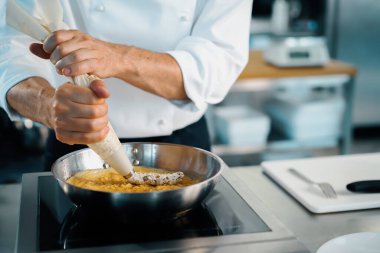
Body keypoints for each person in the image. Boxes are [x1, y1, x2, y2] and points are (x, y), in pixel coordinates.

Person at [0, 1, 253, 170]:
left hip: (183, 149)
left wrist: (117, 58)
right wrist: (47, 105)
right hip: (72, 142)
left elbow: (218, 64)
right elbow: (10, 50)